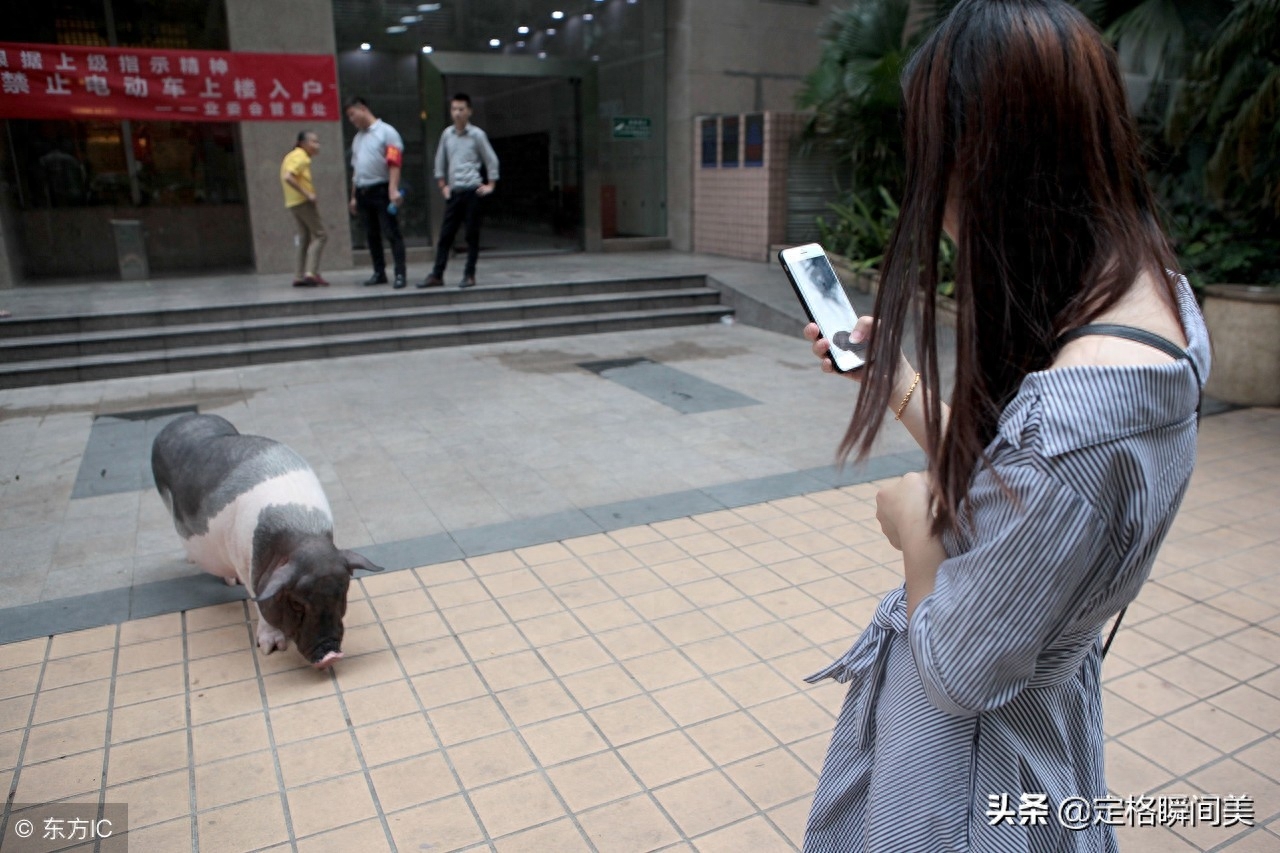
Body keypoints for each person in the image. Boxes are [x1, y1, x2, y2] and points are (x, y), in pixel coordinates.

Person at [798, 2, 1208, 851]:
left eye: (934, 165)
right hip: (1037, 724)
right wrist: (896, 383)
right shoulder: (1157, 300)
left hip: (965, 773)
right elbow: (1020, 475)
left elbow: (954, 668)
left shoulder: (1076, 429)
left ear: (990, 167)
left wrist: (916, 525)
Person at [420, 93, 499, 289]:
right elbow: (439, 161)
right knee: (445, 235)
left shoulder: (477, 135)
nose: (457, 113)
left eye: (461, 109)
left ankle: (469, 274)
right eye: (454, 109)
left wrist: (491, 185)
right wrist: (442, 185)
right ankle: (437, 275)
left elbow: (491, 160)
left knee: (472, 235)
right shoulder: (447, 134)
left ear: (469, 111)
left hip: (473, 190)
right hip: (455, 192)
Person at [346, 96, 407, 289]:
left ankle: (400, 274)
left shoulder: (386, 132)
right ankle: (379, 272)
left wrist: (392, 190)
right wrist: (354, 196)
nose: (351, 120)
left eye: (352, 115)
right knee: (371, 236)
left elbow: (394, 163)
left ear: (362, 108)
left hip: (382, 190)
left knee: (391, 233)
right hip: (364, 192)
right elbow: (356, 169)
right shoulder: (358, 138)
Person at [280, 130, 328, 287]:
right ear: (302, 143)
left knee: (305, 237)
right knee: (321, 235)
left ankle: (299, 275)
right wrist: (308, 194)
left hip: (293, 202)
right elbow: (288, 177)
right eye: (313, 142)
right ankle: (310, 273)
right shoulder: (300, 157)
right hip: (302, 201)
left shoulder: (291, 156)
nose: (317, 145)